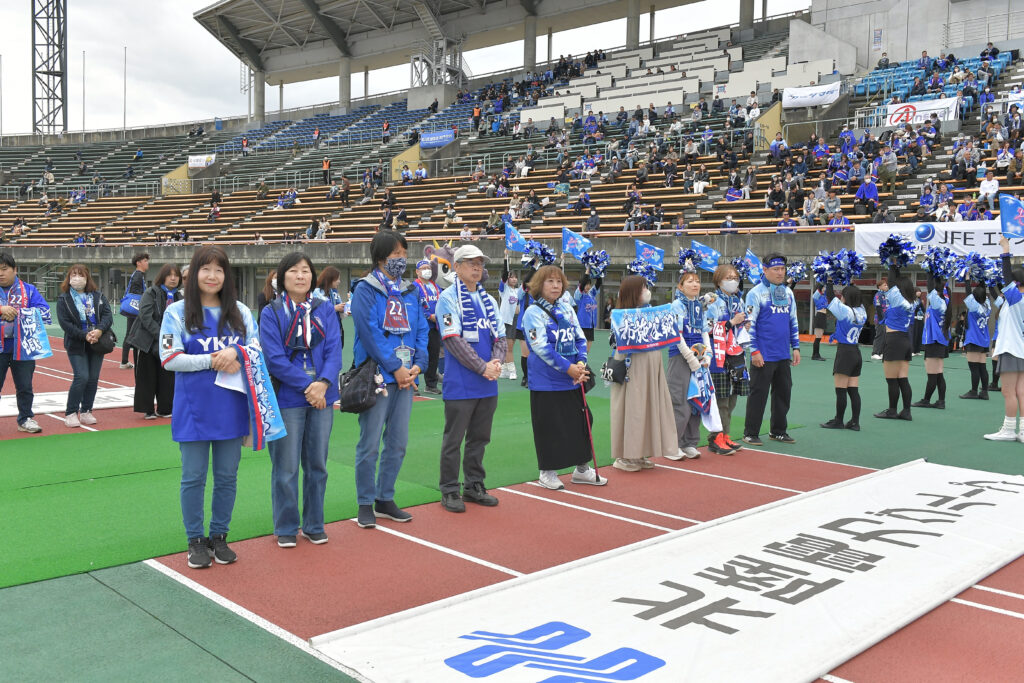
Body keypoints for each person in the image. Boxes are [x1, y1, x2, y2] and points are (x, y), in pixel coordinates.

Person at [160, 246, 258, 569]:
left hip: (232, 408)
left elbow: (256, 351)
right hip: (193, 409)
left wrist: (238, 353)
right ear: (194, 274)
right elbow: (169, 358)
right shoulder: (176, 312)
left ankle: (219, 536)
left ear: (227, 276)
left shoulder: (241, 312)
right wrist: (215, 359)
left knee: (227, 476)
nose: (212, 276)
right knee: (193, 477)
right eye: (206, 269)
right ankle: (195, 540)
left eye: (219, 270)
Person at [260, 253, 342, 548]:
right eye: (293, 271)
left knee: (317, 464)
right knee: (286, 467)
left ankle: (314, 524)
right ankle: (285, 526)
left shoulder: (324, 308)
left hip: (322, 396)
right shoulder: (272, 312)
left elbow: (334, 349)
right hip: (288, 397)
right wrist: (310, 386)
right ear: (282, 277)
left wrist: (323, 384)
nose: (300, 276)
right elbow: (274, 359)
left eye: (306, 270)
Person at [350, 231, 429, 528]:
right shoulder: (365, 289)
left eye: (404, 253)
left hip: (406, 377)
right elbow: (369, 333)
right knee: (370, 443)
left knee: (398, 442)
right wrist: (395, 366)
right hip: (378, 376)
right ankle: (365, 501)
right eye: (396, 254)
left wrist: (418, 365)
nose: (401, 259)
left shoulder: (410, 290)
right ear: (381, 257)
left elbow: (421, 329)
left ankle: (385, 497)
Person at [435, 245, 506, 512]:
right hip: (461, 382)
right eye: (470, 262)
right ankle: (449, 489)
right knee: (453, 440)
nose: (477, 267)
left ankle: (474, 484)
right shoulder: (447, 298)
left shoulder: (489, 300)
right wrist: (482, 367)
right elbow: (453, 340)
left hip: (487, 382)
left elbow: (500, 337)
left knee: (480, 438)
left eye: (480, 263)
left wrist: (495, 363)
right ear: (456, 267)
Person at [523, 265, 606, 488]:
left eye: (559, 281)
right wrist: (568, 367)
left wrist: (580, 363)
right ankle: (547, 471)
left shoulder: (567, 308)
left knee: (582, 422)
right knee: (550, 426)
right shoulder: (532, 313)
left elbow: (580, 338)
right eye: (550, 281)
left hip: (573, 378)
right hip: (546, 381)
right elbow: (540, 347)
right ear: (540, 285)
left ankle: (582, 468)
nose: (556, 286)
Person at [608, 275, 677, 470]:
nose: (647, 291)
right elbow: (614, 342)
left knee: (648, 407)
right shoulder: (620, 315)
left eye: (646, 287)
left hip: (652, 364)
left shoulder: (652, 312)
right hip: (632, 364)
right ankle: (624, 456)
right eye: (642, 288)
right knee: (632, 409)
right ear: (632, 292)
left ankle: (639, 453)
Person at [667, 270, 735, 458]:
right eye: (689, 281)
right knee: (680, 401)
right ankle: (671, 445)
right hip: (680, 357)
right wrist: (690, 358)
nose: (695, 284)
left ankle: (689, 442)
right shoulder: (676, 305)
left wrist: (708, 354)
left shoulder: (699, 306)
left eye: (697, 281)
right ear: (680, 286)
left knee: (697, 400)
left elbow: (704, 331)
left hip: (700, 358)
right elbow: (676, 335)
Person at [742, 254, 801, 446]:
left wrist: (796, 347)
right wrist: (754, 351)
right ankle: (750, 433)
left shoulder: (788, 293)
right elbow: (750, 324)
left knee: (783, 394)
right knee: (758, 394)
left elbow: (793, 321)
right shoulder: (755, 293)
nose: (780, 273)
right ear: (765, 270)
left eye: (782, 269)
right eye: (776, 269)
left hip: (783, 354)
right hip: (763, 354)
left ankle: (778, 431)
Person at [56, 265, 113, 428]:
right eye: (73, 275)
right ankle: (71, 412)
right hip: (76, 343)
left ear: (87, 278)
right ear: (68, 279)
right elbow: (65, 324)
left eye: (81, 275)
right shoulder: (64, 299)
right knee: (82, 377)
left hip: (97, 342)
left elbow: (108, 315)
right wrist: (84, 335)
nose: (77, 278)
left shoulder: (98, 296)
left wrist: (99, 331)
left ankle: (87, 410)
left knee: (93, 378)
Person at [0, 253, 50, 433]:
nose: (0, 273)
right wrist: (1, 309)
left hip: (23, 347)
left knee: (25, 386)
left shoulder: (29, 290)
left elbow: (45, 312)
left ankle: (25, 418)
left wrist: (18, 313)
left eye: (4, 269)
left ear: (15, 270)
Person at [126, 264, 182, 419]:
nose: (173, 278)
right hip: (148, 339)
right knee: (147, 375)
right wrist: (162, 334)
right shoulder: (151, 292)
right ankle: (148, 409)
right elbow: (145, 316)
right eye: (169, 275)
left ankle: (165, 408)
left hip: (168, 340)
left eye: (176, 275)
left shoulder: (179, 297)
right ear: (162, 277)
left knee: (167, 374)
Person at [705, 264, 748, 452]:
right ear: (718, 280)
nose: (733, 281)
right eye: (728, 278)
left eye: (735, 278)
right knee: (721, 400)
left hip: (736, 354)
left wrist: (744, 325)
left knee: (732, 398)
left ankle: (726, 435)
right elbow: (707, 328)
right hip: (718, 356)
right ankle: (716, 438)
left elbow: (743, 323)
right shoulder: (712, 300)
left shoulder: (737, 300)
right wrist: (731, 323)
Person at [986, 237, 1024, 440]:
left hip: (1010, 349)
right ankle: (1023, 431)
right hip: (1020, 350)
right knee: (1020, 392)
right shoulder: (1015, 300)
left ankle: (1009, 430)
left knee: (1008, 391)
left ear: (1016, 284)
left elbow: (1007, 276)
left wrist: (1006, 250)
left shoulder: (1016, 298)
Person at [819, 281, 867, 430]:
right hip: (856, 352)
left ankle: (838, 420)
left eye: (842, 295)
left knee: (840, 390)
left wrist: (829, 281)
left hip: (845, 352)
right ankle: (855, 422)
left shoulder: (845, 311)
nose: (840, 298)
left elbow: (830, 297)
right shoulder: (862, 311)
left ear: (846, 297)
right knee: (853, 390)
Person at [874, 266, 916, 420]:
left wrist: (892, 263)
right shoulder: (911, 302)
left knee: (891, 380)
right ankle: (906, 411)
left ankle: (892, 410)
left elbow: (891, 282)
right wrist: (896, 266)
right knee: (903, 378)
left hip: (893, 340)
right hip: (905, 340)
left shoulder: (898, 300)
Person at [912, 276, 949, 409]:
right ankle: (941, 401)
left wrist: (930, 272)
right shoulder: (945, 300)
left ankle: (926, 400)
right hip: (940, 340)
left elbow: (930, 287)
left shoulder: (938, 302)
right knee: (938, 374)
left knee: (933, 374)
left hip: (934, 341)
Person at [961, 283, 995, 400]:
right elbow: (976, 294)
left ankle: (974, 391)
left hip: (974, 339)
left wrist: (967, 279)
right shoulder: (987, 305)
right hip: (984, 339)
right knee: (982, 367)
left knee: (974, 367)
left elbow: (968, 293)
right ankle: (984, 392)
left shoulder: (974, 306)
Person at [413, 259, 442, 395]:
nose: (427, 270)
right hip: (420, 327)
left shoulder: (435, 286)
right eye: (423, 268)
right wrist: (429, 316)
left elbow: (443, 302)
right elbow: (415, 305)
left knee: (434, 355)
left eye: (428, 268)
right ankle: (413, 385)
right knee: (417, 354)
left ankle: (431, 384)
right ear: (417, 272)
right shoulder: (414, 287)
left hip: (435, 327)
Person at [121, 253, 149, 369]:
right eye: (145, 261)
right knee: (132, 334)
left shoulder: (138, 275)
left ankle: (125, 361)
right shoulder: (138, 275)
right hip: (136, 308)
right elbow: (136, 293)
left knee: (131, 333)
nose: (147, 263)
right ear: (138, 263)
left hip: (134, 308)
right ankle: (125, 361)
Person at [498, 258, 522, 380]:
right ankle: (511, 370)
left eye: (515, 277)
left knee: (509, 347)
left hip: (515, 320)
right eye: (511, 277)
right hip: (506, 320)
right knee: (507, 347)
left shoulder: (518, 291)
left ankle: (505, 369)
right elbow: (504, 275)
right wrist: (505, 259)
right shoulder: (504, 289)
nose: (514, 279)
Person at [313, 266, 347, 352]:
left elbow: (341, 312)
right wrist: (334, 308)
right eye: (337, 279)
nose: (339, 282)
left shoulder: (333, 292)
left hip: (336, 331)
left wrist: (343, 308)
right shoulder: (316, 292)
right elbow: (316, 311)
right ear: (330, 279)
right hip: (322, 333)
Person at [573, 274, 601, 352]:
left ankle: (582, 360)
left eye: (589, 284)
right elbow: (582, 286)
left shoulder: (591, 293)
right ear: (581, 285)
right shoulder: (578, 295)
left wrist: (599, 272)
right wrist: (587, 272)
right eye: (586, 284)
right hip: (582, 325)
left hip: (590, 326)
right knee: (581, 349)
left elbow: (598, 283)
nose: (588, 286)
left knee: (587, 350)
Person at [871, 278, 889, 360]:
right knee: (880, 335)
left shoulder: (886, 295)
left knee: (885, 336)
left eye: (886, 285)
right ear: (879, 286)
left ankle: (881, 352)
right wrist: (881, 319)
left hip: (886, 319)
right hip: (880, 319)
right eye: (884, 285)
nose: (886, 286)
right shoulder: (878, 295)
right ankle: (875, 353)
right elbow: (878, 308)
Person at [811, 283, 828, 361]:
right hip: (820, 316)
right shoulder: (816, 295)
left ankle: (816, 354)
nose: (824, 289)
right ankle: (815, 355)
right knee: (818, 337)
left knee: (819, 337)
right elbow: (820, 285)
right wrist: (822, 280)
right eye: (823, 287)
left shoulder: (824, 296)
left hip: (823, 316)